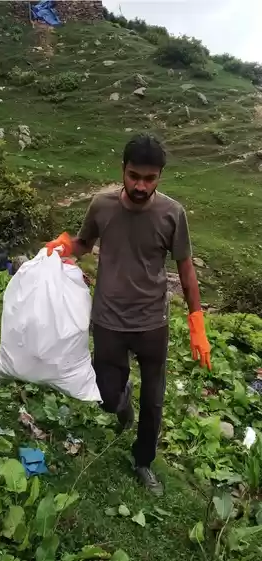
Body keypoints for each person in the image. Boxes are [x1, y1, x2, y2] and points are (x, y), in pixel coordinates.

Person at [44, 133, 211, 496]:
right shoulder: (101, 206)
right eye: (134, 176)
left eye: (149, 179)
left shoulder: (172, 214)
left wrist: (196, 321)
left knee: (154, 400)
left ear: (160, 177)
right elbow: (84, 243)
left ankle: (143, 461)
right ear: (122, 169)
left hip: (152, 322)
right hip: (107, 319)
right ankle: (121, 402)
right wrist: (65, 245)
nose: (140, 185)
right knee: (107, 393)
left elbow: (185, 270)